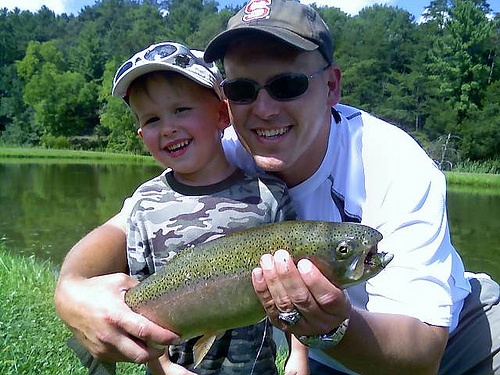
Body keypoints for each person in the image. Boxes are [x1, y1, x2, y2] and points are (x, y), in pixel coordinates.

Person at [54, 1, 500, 374]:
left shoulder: (397, 167)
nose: (263, 110)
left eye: (286, 85)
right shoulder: (223, 149)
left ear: (331, 86)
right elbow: (117, 230)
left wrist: (328, 327)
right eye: (243, 90)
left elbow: (422, 354)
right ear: (225, 103)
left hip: (457, 338)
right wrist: (71, 294)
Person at [61, 40, 300, 374]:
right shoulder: (144, 204)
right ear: (142, 136)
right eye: (153, 119)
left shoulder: (269, 195)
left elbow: (298, 286)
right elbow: (139, 300)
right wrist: (164, 369)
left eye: (181, 110)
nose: (169, 128)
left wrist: (298, 359)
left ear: (221, 114)